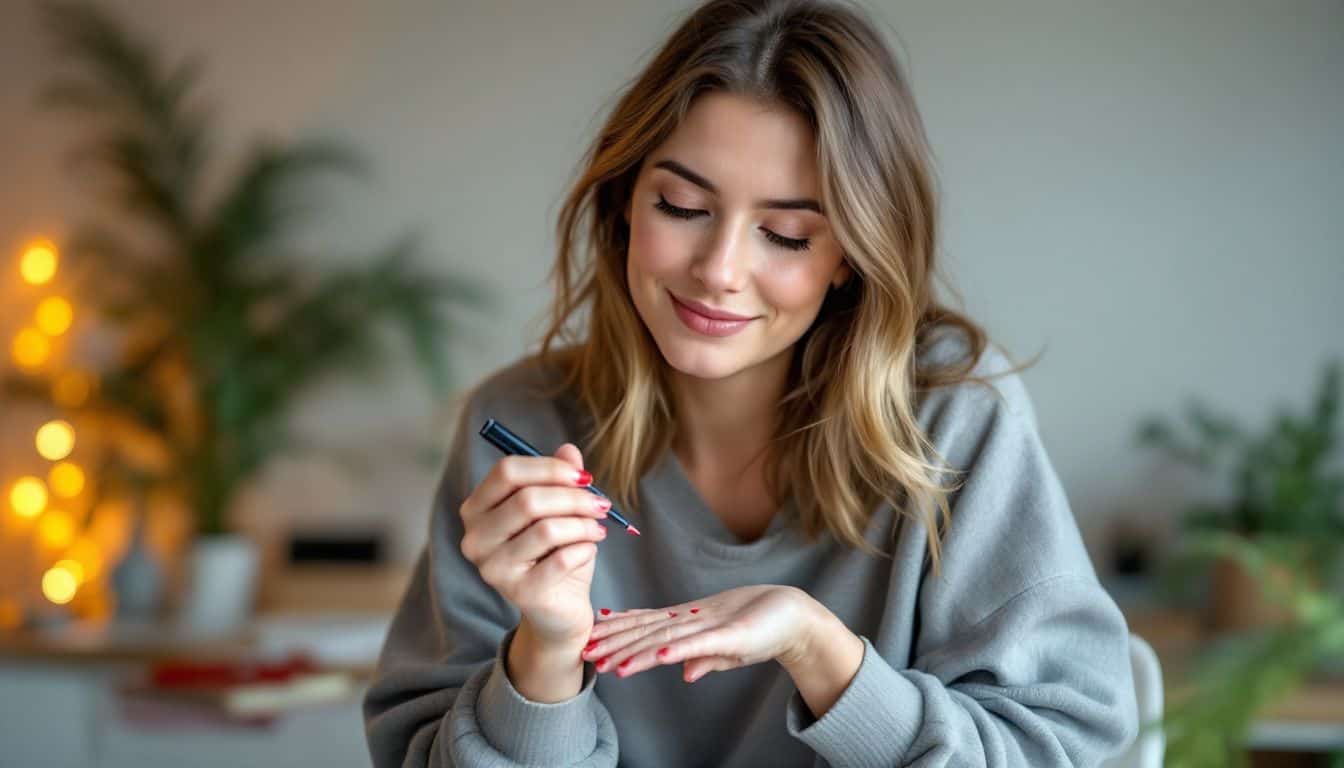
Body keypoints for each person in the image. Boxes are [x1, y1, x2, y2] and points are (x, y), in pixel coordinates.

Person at [363, 0, 1139, 765]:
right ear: (625, 202)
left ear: (850, 256)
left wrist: (822, 653)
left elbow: (1056, 749)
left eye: (787, 234)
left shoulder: (956, 420)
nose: (720, 272)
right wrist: (547, 656)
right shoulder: (519, 420)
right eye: (682, 206)